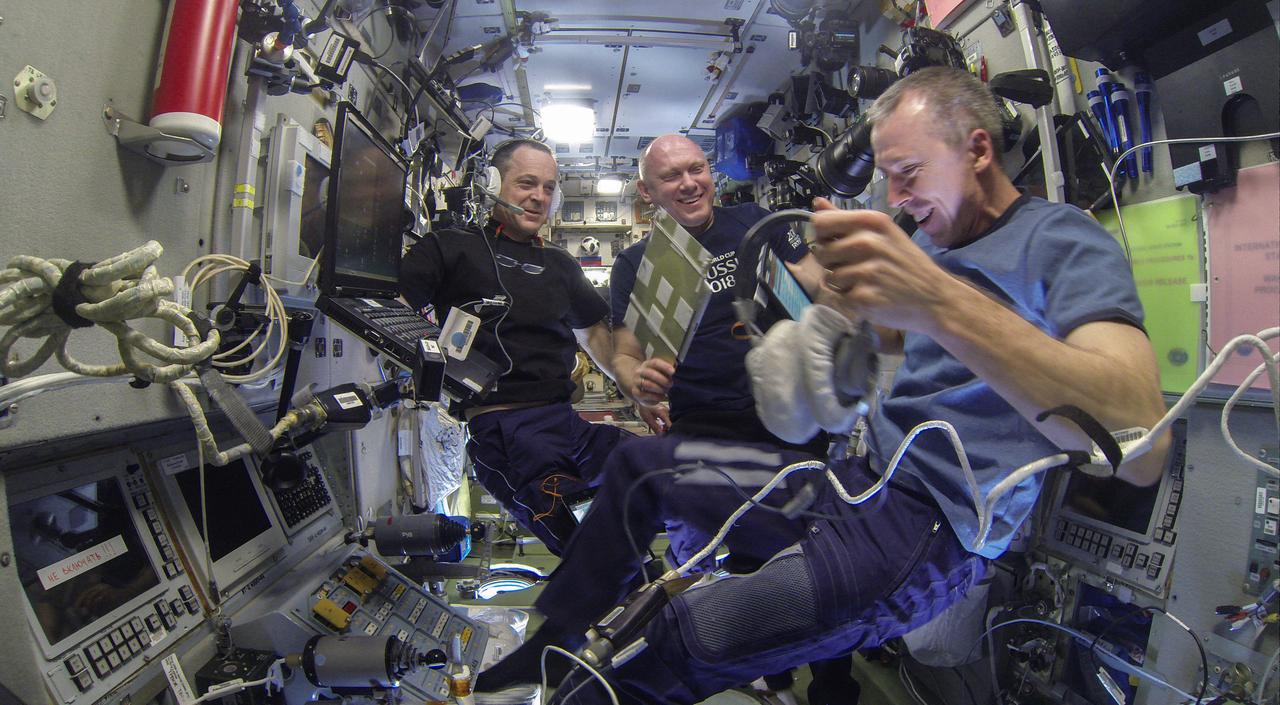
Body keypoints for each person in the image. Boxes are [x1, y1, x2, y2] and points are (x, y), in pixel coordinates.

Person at [480, 66, 1169, 703]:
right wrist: (834, 307)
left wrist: (933, 298)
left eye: (906, 173)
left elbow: (1139, 445)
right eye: (889, 179)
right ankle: (552, 637)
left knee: (677, 639)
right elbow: (834, 349)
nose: (897, 199)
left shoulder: (1060, 239)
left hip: (925, 528)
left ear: (979, 151)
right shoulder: (925, 238)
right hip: (850, 479)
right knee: (637, 469)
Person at [477, 133, 832, 691]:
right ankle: (773, 681)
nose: (689, 183)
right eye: (672, 177)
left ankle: (837, 689)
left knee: (817, 557)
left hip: (789, 415)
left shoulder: (755, 224)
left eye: (697, 169)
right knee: (738, 563)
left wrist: (848, 265)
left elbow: (818, 289)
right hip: (706, 423)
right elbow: (625, 350)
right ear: (647, 192)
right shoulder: (639, 263)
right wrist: (636, 382)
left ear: (710, 172)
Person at [400, 139, 627, 556]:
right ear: (492, 183)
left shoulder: (561, 265)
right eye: (526, 183)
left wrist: (639, 390)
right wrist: (434, 363)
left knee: (670, 473)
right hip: (510, 435)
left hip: (568, 425)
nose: (538, 196)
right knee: (600, 555)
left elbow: (595, 335)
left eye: (548, 187)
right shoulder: (449, 248)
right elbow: (395, 312)